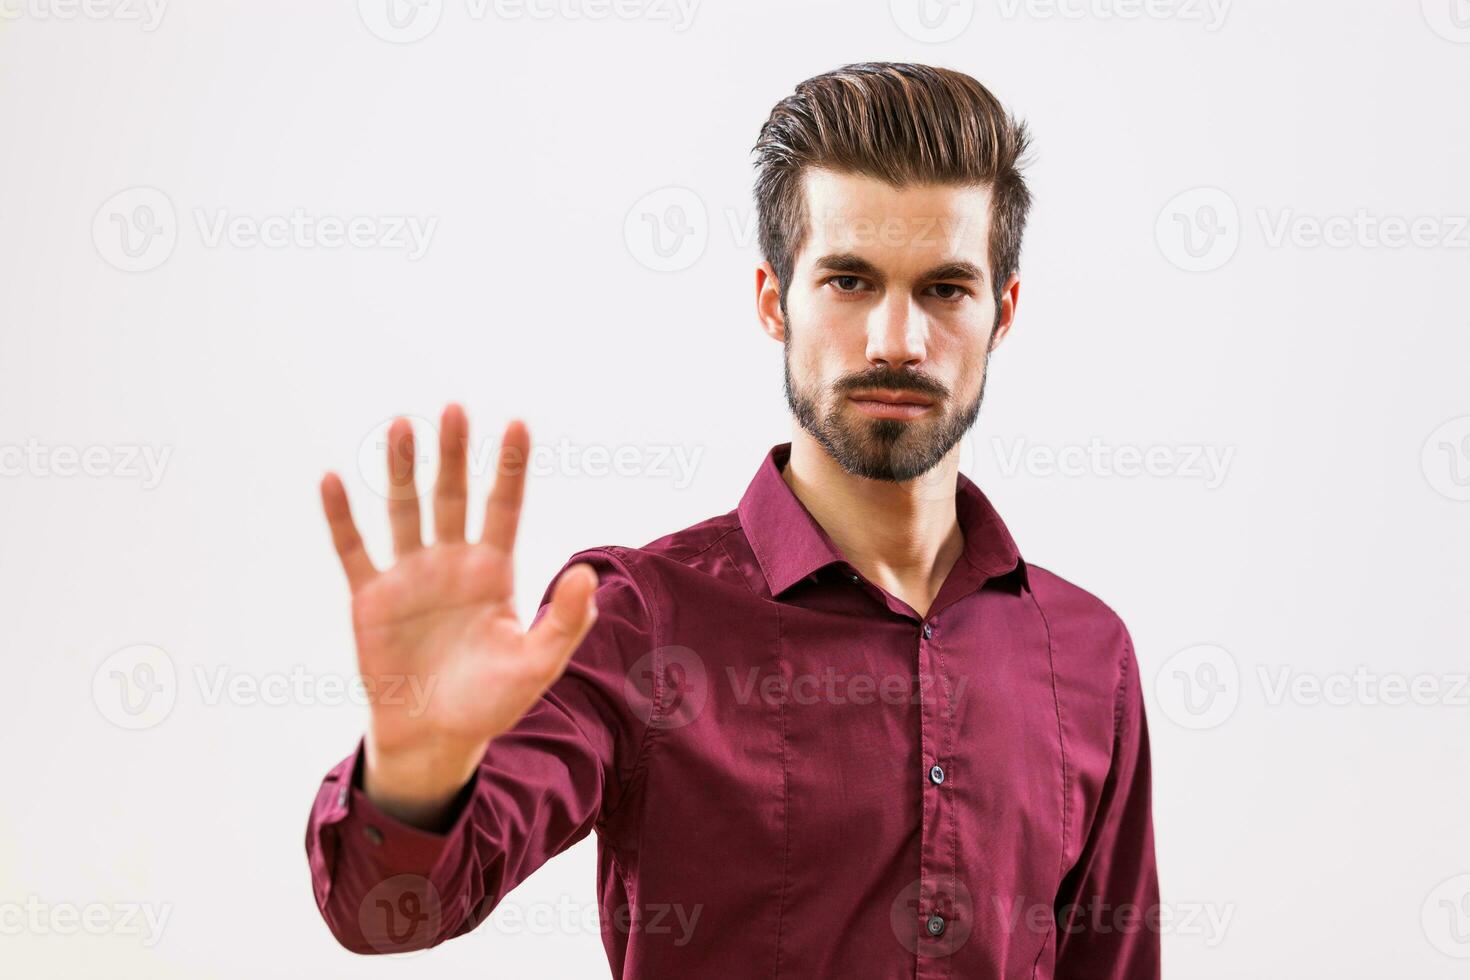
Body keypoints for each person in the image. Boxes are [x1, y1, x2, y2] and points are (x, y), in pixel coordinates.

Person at [304, 61, 1160, 979]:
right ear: (772, 302)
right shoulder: (632, 617)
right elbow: (386, 914)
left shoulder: (1085, 654)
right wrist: (420, 768)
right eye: (849, 282)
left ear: (1003, 314)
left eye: (946, 289)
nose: (897, 341)